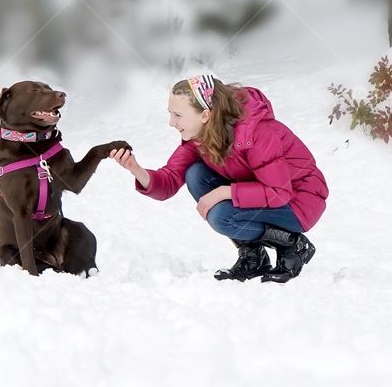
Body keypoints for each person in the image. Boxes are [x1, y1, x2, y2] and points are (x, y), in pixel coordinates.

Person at [109, 75, 329, 283]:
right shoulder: (199, 137)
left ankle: (293, 244)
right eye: (170, 113)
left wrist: (224, 192)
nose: (171, 122)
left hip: (299, 202)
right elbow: (168, 181)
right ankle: (253, 257)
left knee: (222, 216)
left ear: (205, 115)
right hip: (267, 197)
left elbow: (278, 192)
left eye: (177, 115)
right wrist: (136, 169)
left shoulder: (257, 133)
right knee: (195, 174)